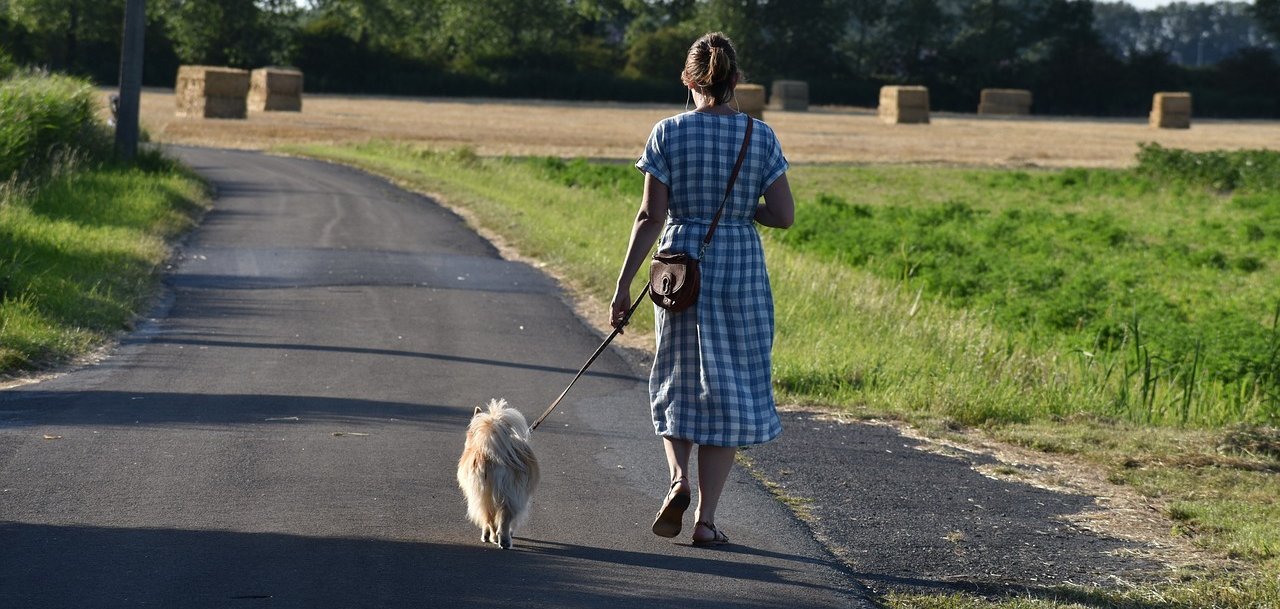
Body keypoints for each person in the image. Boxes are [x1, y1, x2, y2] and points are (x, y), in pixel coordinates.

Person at [610, 32, 794, 547]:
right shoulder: (761, 137)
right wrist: (740, 211)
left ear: (688, 80)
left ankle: (677, 479)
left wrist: (623, 286)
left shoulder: (666, 133)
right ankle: (707, 522)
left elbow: (651, 215)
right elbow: (783, 215)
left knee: (676, 375)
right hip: (738, 268)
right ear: (737, 81)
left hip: (679, 270)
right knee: (730, 385)